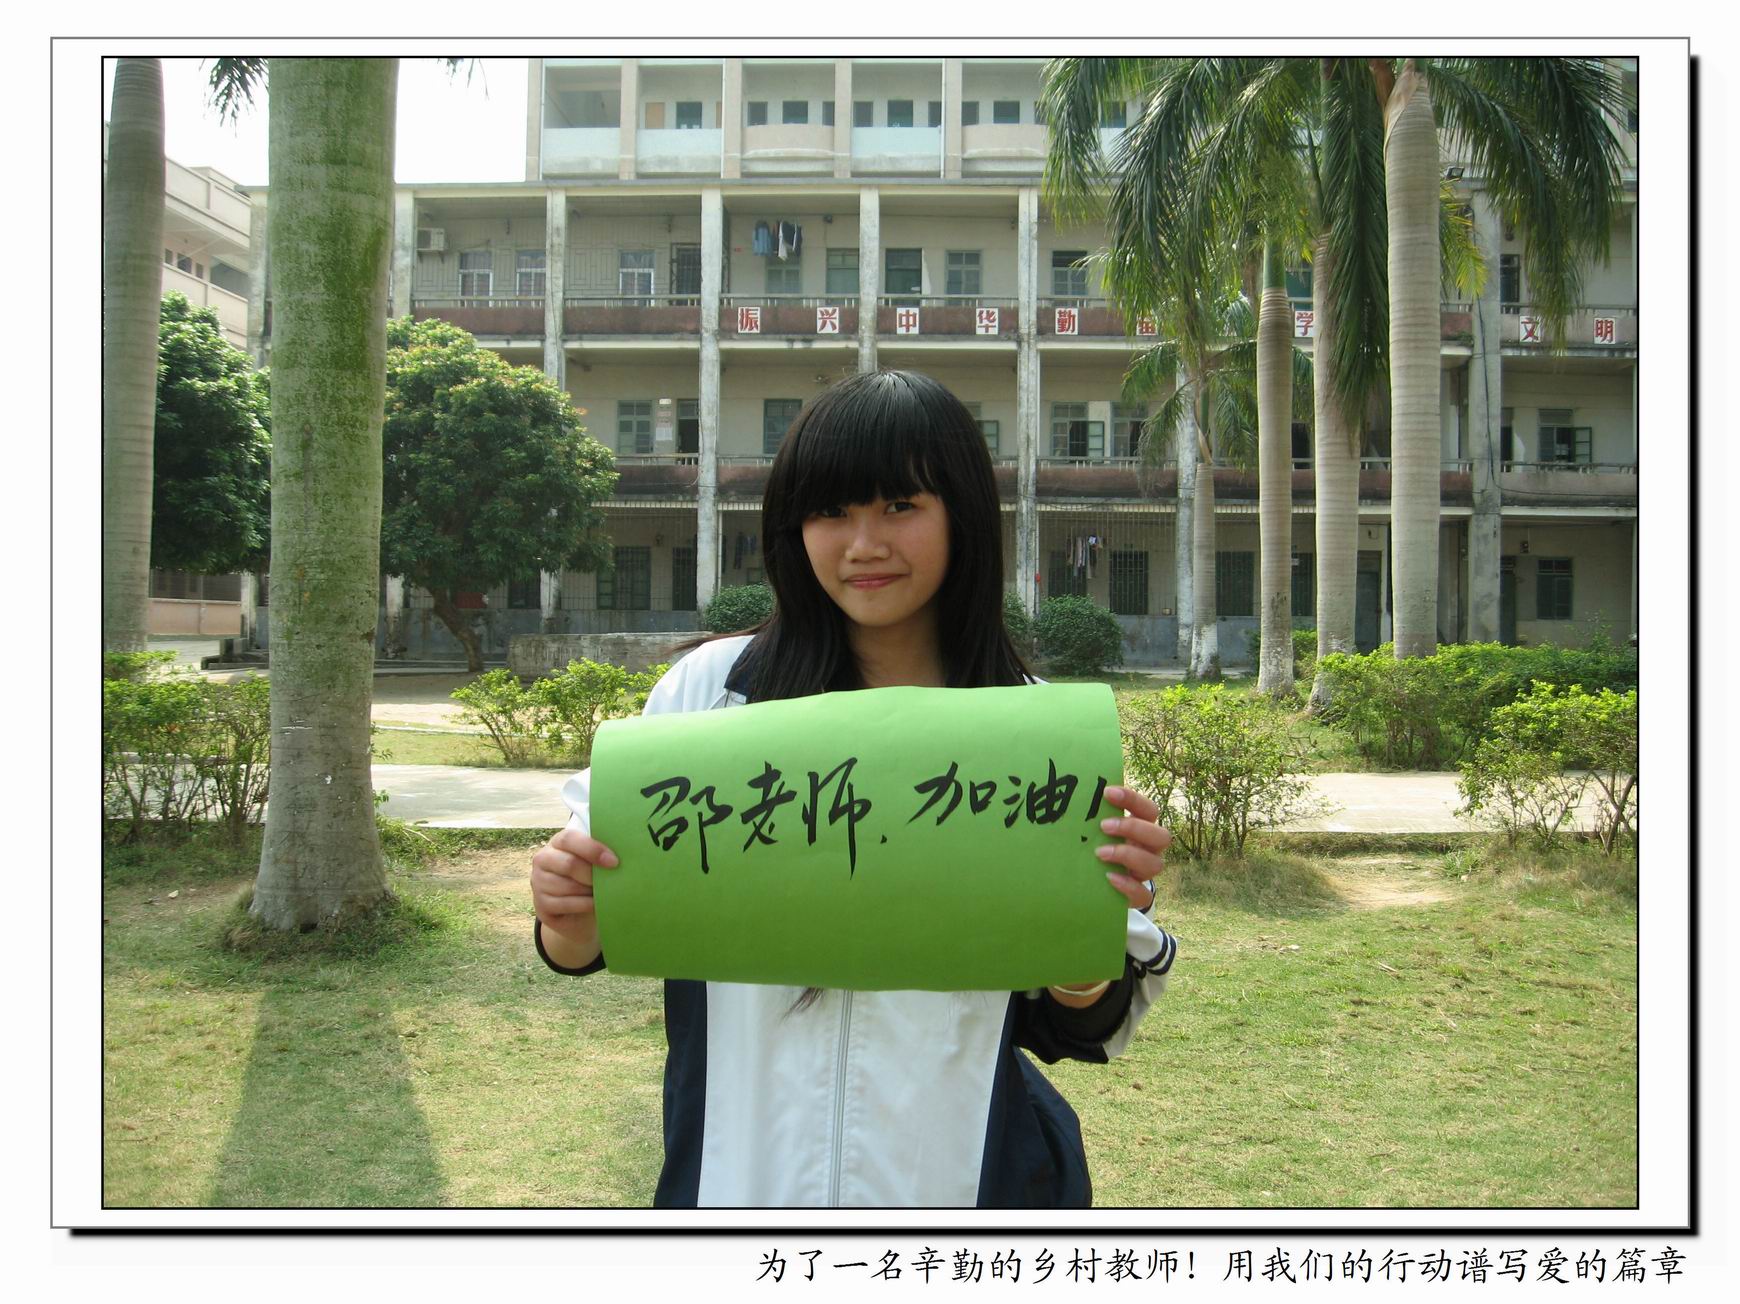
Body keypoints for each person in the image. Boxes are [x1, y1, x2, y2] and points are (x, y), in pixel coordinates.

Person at [529, 369, 1177, 1207]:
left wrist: (1088, 925)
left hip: (956, 1188)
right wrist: (567, 914)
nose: (863, 544)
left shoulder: (1034, 738)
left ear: (962, 515)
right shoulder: (710, 695)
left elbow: (1076, 1019)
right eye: (831, 511)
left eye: (900, 506)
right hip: (738, 1182)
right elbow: (592, 939)